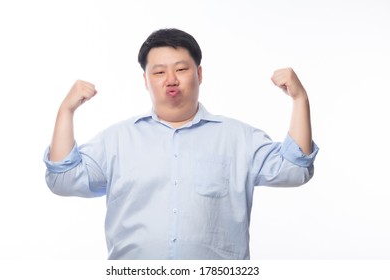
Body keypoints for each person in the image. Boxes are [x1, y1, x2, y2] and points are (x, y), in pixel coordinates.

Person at [43, 28, 319, 260]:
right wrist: (65, 111)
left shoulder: (238, 138)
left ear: (199, 74)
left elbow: (294, 170)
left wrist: (300, 100)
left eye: (181, 69)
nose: (171, 80)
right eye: (159, 72)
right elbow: (64, 180)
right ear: (145, 80)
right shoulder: (117, 140)